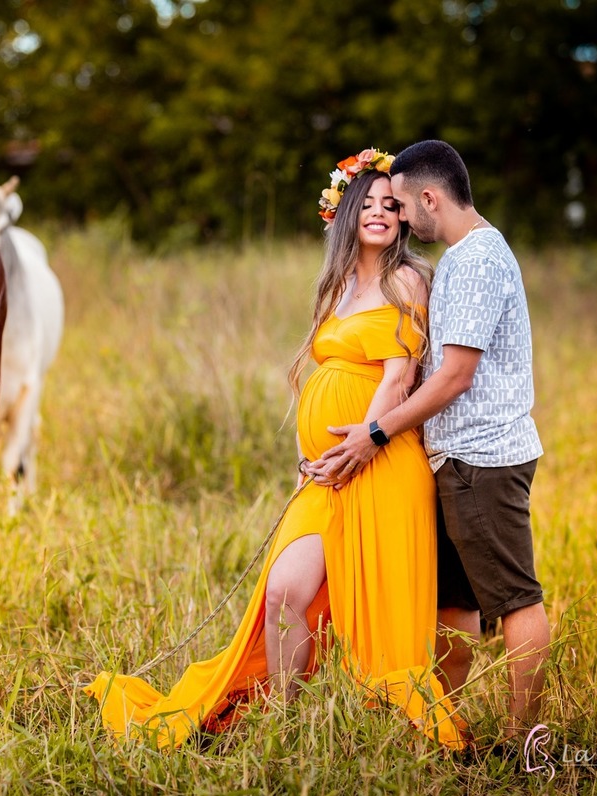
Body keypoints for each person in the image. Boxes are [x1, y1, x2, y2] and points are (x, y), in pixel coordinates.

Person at [84, 149, 467, 751]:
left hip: (382, 462)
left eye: (390, 205)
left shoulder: (407, 280)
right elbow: (314, 381)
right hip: (324, 473)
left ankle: (384, 728)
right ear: (342, 214)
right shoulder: (338, 285)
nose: (378, 213)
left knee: (376, 612)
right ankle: (286, 720)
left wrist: (359, 446)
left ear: (403, 217)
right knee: (285, 588)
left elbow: (398, 377)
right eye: (364, 203)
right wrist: (307, 459)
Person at [310, 139, 549, 742]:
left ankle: (527, 743)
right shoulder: (472, 256)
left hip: (481, 458)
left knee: (513, 598)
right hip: (453, 458)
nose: (400, 220)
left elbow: (454, 377)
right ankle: (451, 720)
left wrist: (374, 432)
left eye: (402, 205)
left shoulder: (473, 262)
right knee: (456, 604)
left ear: (428, 197)